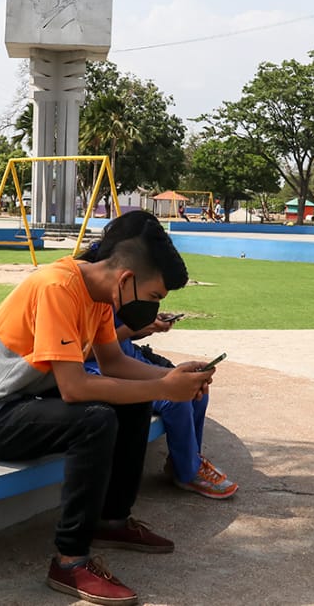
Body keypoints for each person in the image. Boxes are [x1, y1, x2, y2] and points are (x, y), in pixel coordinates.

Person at [0, 211, 213, 606]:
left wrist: (173, 378)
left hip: (24, 402)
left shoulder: (99, 294)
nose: (153, 307)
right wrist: (164, 387)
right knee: (95, 419)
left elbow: (115, 364)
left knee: (133, 402)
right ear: (126, 279)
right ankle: (70, 561)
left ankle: (111, 520)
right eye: (154, 296)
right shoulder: (57, 286)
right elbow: (74, 389)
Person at [79, 212, 238, 501]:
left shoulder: (119, 287)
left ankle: (186, 461)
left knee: (193, 389)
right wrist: (137, 333)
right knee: (174, 398)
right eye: (153, 297)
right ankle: (187, 471)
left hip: (121, 358)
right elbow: (86, 354)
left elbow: (113, 350)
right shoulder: (93, 290)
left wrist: (146, 330)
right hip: (91, 367)